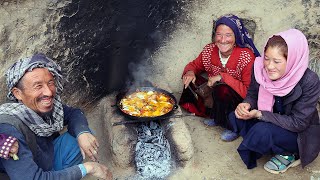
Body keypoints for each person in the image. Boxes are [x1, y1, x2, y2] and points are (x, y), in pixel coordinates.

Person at [0, 53, 113, 179]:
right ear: (18, 94)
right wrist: (88, 168)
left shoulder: (41, 105)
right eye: (38, 86)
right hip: (28, 175)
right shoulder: (9, 130)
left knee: (83, 135)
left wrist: (82, 132)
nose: (48, 92)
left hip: (45, 159)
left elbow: (73, 113)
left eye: (50, 83)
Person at [230, 29, 320, 174]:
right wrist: (246, 104)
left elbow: (298, 123)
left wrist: (260, 114)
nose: (269, 66)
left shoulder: (309, 81)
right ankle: (268, 142)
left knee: (261, 131)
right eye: (266, 58)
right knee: (234, 116)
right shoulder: (259, 68)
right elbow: (253, 93)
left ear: (292, 60)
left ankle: (291, 154)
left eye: (277, 61)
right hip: (271, 117)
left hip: (297, 134)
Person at [180, 14, 260, 141]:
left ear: (236, 37)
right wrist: (190, 72)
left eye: (228, 35)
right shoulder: (209, 50)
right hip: (216, 95)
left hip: (238, 100)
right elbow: (194, 65)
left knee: (222, 89)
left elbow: (248, 92)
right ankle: (216, 117)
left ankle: (233, 126)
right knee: (190, 79)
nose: (223, 40)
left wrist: (222, 77)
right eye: (219, 34)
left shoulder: (246, 56)